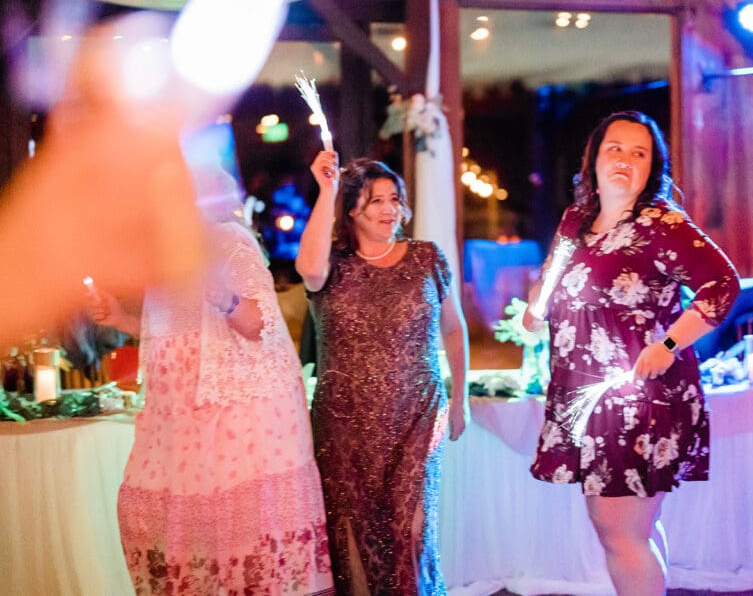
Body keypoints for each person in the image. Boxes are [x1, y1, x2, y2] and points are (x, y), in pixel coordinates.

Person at [523, 111, 739, 594]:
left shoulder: (661, 224)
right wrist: (538, 305)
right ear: (594, 160)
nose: (624, 160)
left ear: (651, 168)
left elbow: (723, 285)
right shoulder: (576, 220)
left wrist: (669, 344)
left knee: (619, 531)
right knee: (631, 532)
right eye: (614, 149)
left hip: (639, 398)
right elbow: (553, 272)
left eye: (638, 153)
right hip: (585, 395)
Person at [89, 168, 334, 595]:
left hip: (232, 422)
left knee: (240, 543)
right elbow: (180, 334)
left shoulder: (227, 241)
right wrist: (121, 318)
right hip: (180, 422)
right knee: (180, 537)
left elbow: (258, 323)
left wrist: (222, 295)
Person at [295, 154, 469, 595]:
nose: (390, 209)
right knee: (353, 534)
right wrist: (327, 189)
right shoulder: (331, 264)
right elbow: (308, 269)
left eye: (395, 199)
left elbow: (453, 328)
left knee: (412, 529)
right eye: (376, 201)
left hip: (418, 413)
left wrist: (460, 398)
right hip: (344, 423)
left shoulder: (427, 258)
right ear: (352, 208)